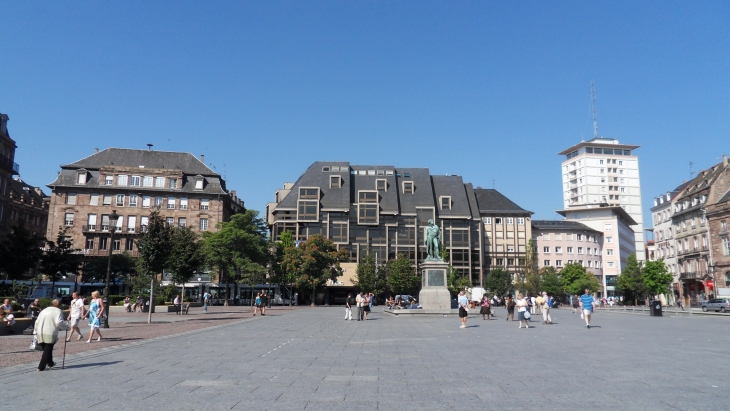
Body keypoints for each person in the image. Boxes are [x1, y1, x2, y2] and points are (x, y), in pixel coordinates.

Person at [34, 299, 69, 371]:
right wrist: (66, 327)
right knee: (47, 350)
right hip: (50, 332)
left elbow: (37, 322)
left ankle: (50, 363)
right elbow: (58, 322)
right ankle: (41, 367)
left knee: (47, 349)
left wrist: (35, 331)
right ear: (59, 305)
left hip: (40, 331)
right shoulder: (58, 311)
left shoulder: (44, 310)